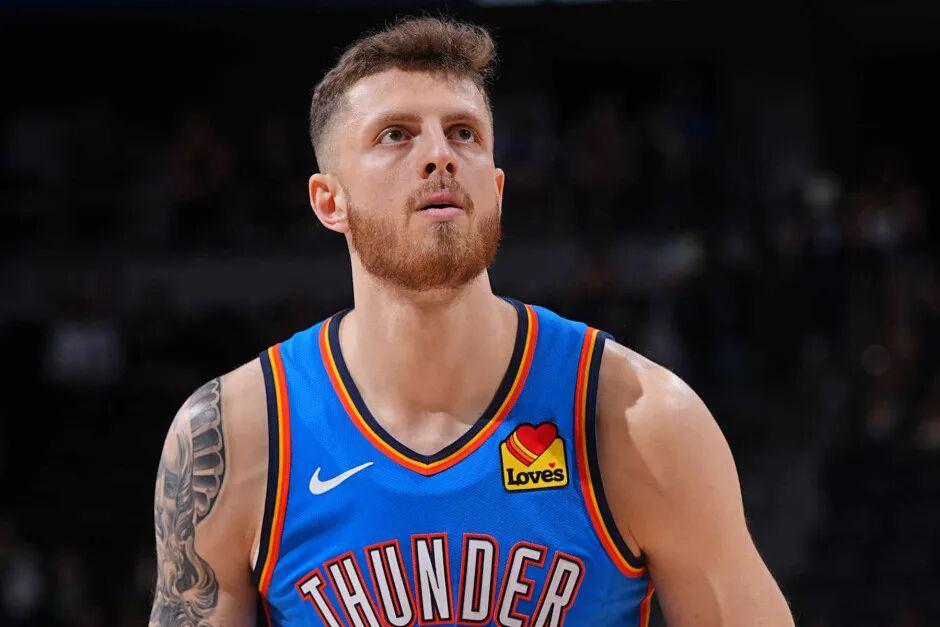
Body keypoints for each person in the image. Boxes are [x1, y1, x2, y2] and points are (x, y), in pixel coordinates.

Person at [150, 16, 794, 627]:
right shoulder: (235, 436)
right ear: (329, 201)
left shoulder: (640, 418)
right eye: (395, 135)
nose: (440, 155)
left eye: (463, 133)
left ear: (498, 190)